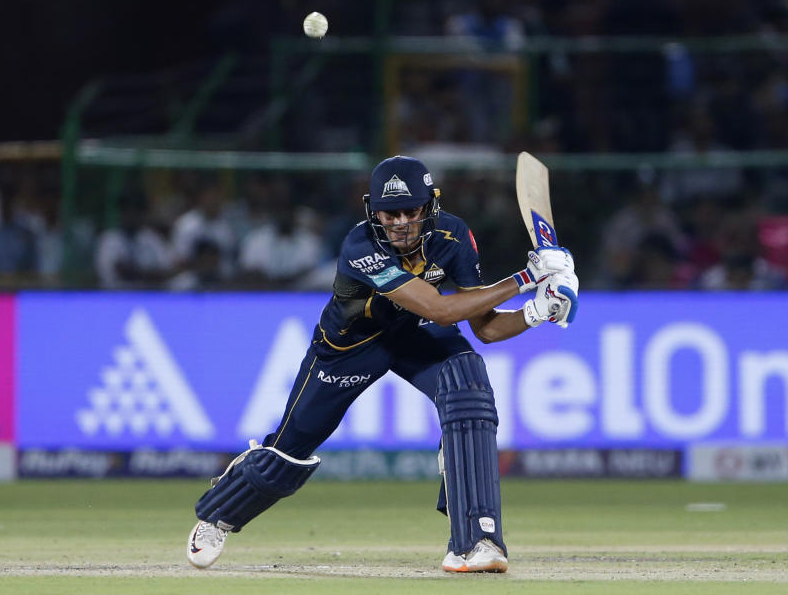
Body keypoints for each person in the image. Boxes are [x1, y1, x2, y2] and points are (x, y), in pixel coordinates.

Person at [185, 156, 579, 573]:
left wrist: (539, 310)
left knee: (469, 390)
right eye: (391, 213)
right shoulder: (359, 247)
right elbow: (441, 309)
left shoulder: (454, 235)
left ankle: (476, 541)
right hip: (349, 347)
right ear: (373, 210)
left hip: (413, 333)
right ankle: (218, 515)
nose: (402, 223)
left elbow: (485, 329)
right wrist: (525, 278)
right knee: (289, 450)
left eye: (413, 211)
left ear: (431, 207)